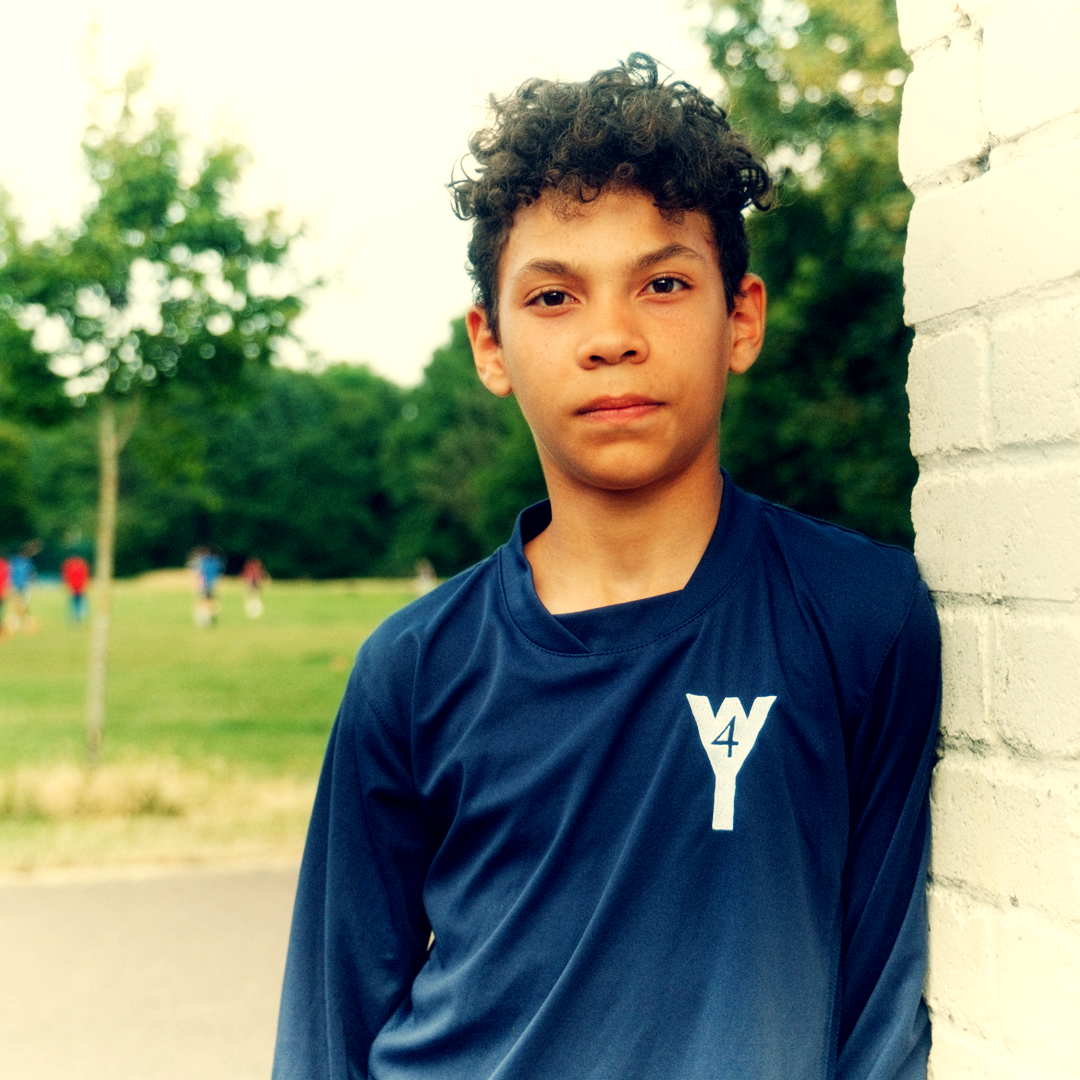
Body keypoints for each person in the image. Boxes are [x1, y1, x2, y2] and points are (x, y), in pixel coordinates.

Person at [273, 55, 940, 1080]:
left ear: (742, 318)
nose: (612, 338)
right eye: (554, 297)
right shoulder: (411, 669)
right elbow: (328, 1033)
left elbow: (879, 1021)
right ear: (489, 346)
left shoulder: (862, 617)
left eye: (663, 284)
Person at [61, 554, 91, 622]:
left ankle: (76, 616)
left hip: (75, 587)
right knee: (79, 602)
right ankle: (79, 616)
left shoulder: (69, 565)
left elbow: (66, 576)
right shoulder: (81, 565)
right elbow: (85, 575)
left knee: (75, 602)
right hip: (79, 587)